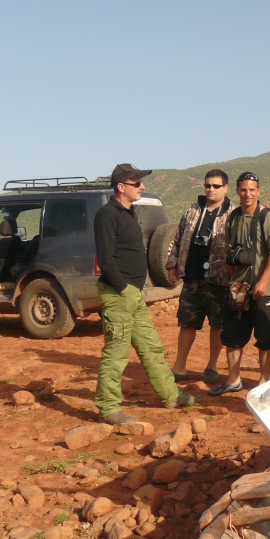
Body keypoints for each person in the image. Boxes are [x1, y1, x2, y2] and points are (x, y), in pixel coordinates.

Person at [94, 163, 196, 424]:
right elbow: (105, 259)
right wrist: (124, 288)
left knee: (151, 347)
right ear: (121, 187)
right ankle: (108, 409)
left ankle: (171, 395)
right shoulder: (107, 215)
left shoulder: (129, 213)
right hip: (120, 294)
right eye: (137, 183)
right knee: (116, 353)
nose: (142, 187)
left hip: (133, 293)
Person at [210, 172, 270, 395]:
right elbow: (230, 252)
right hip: (239, 289)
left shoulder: (267, 217)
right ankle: (233, 380)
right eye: (243, 190)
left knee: (265, 337)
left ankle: (263, 383)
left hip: (266, 288)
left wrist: (262, 281)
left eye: (252, 190)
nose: (247, 194)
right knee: (232, 335)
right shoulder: (233, 218)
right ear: (237, 191)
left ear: (258, 191)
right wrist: (234, 280)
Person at [166, 169, 233, 385]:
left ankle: (212, 366)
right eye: (207, 185)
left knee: (218, 324)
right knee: (187, 323)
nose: (210, 189)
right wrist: (172, 264)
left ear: (225, 188)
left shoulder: (233, 213)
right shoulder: (193, 210)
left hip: (219, 278)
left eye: (215, 186)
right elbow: (178, 238)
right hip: (192, 275)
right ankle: (179, 366)